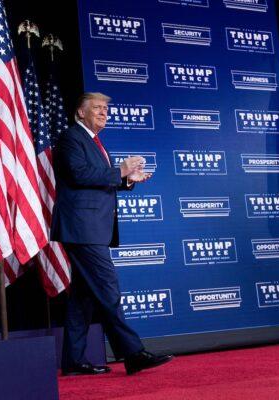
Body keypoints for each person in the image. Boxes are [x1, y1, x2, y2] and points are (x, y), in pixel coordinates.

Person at [51, 92, 173, 376]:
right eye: (97, 108)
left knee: (83, 298)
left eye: (106, 109)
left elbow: (96, 180)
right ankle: (133, 353)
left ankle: (72, 361)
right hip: (81, 228)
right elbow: (79, 175)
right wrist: (119, 170)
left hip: (92, 228)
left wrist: (127, 180)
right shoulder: (71, 138)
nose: (104, 113)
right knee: (107, 288)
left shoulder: (94, 142)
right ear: (80, 113)